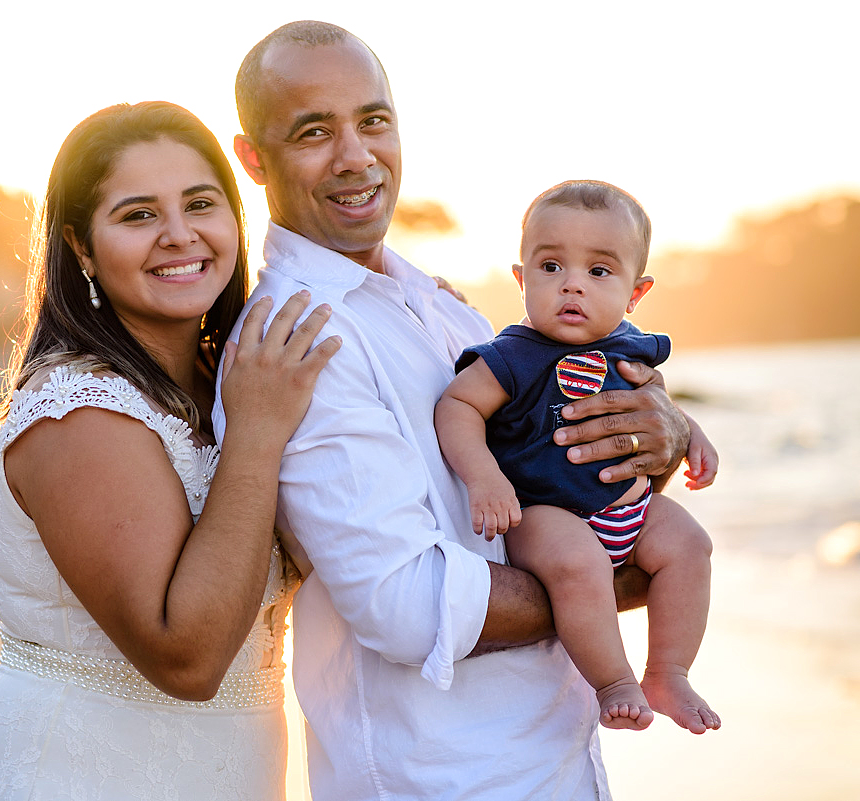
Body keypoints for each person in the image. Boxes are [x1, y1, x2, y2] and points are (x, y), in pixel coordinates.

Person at [213, 21, 691, 800]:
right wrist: (596, 585)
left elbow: (565, 474)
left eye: (373, 120)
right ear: (254, 159)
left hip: (558, 762)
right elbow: (405, 607)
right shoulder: (297, 340)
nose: (356, 156)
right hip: (449, 777)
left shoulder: (447, 310)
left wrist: (658, 438)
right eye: (313, 131)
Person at [0, 100, 339, 800]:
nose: (180, 235)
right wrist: (257, 433)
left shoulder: (232, 387)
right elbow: (187, 656)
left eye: (200, 204)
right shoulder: (80, 410)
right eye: (138, 215)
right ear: (82, 247)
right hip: (83, 775)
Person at [435, 180, 721, 735]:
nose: (572, 285)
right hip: (547, 514)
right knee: (579, 566)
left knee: (691, 545)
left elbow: (657, 402)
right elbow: (457, 406)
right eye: (550, 267)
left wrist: (690, 433)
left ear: (635, 293)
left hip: (628, 508)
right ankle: (614, 682)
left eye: (598, 271)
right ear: (520, 280)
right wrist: (484, 476)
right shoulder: (513, 355)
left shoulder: (630, 346)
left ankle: (668, 672)